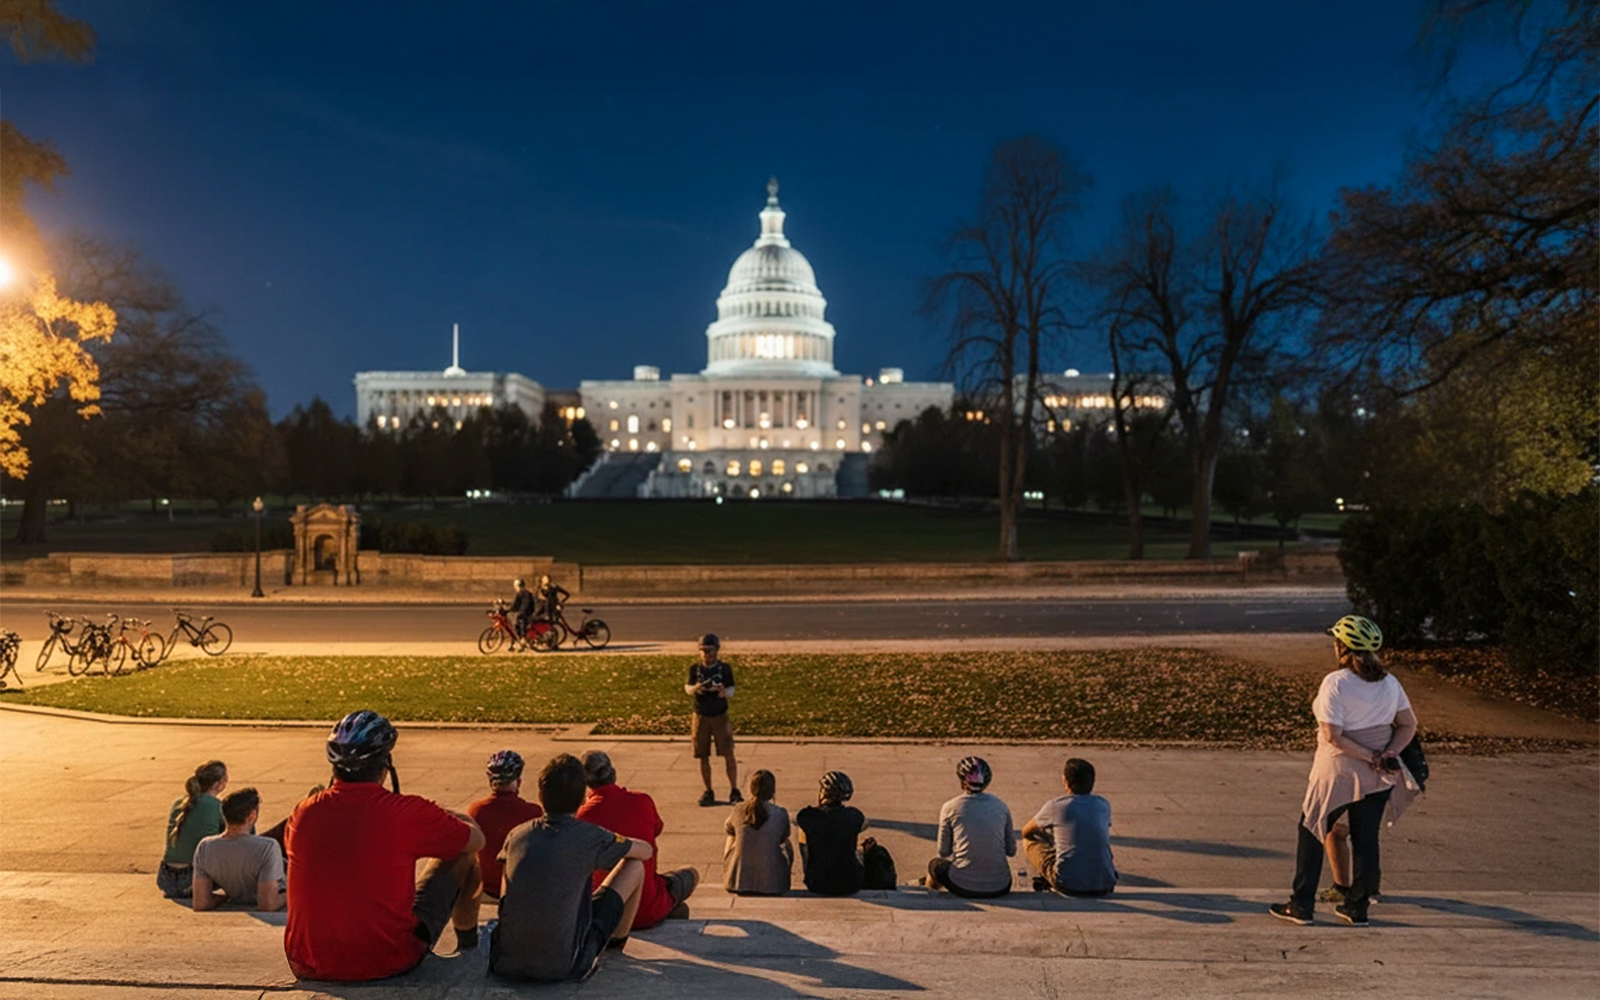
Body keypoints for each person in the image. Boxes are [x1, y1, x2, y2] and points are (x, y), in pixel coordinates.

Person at [284, 710, 486, 982]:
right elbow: (477, 839)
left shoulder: (304, 812)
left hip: (306, 961)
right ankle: (469, 947)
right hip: (386, 959)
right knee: (464, 857)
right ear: (384, 766)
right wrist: (438, 813)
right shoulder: (405, 813)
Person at [1271, 615, 1419, 927]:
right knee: (1366, 838)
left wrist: (1369, 755)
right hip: (1378, 776)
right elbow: (1408, 724)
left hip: (1337, 771)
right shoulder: (1390, 683)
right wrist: (1387, 753)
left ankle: (1301, 906)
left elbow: (1333, 735)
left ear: (1342, 647)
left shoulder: (1335, 682)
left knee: (1312, 828)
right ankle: (1357, 908)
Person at [490, 754, 654, 983]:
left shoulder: (517, 835)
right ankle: (616, 944)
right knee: (634, 866)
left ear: (540, 795)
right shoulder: (589, 836)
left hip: (504, 961)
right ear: (581, 800)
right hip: (564, 966)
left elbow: (506, 900)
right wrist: (613, 842)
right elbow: (645, 851)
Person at [576, 750, 699, 930]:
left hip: (605, 913)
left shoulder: (583, 816)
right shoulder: (642, 801)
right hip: (648, 906)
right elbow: (656, 829)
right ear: (612, 772)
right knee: (691, 875)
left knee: (678, 907)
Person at [462, 750, 544, 931]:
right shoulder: (533, 812)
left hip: (485, 884)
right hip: (518, 887)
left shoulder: (476, 810)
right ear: (519, 781)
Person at [1022, 758, 1118, 897]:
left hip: (1068, 885)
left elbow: (1026, 831)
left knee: (1029, 842)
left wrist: (1047, 837)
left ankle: (1051, 878)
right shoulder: (1103, 805)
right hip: (1105, 884)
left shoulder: (1056, 805)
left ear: (1065, 780)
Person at [926, 756, 1016, 899]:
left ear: (961, 781)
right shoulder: (1001, 806)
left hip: (963, 885)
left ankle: (930, 897)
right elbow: (1011, 850)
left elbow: (943, 852)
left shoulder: (950, 807)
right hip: (1001, 885)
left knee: (935, 865)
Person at [192, 788, 286, 912]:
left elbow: (201, 904)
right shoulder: (268, 847)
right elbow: (268, 905)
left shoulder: (205, 846)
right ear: (252, 816)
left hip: (236, 891)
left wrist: (224, 897)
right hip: (280, 884)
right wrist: (294, 894)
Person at [158, 760, 228, 899]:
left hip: (166, 879)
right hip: (194, 879)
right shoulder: (217, 806)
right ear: (219, 783)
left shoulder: (179, 803)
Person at [686, 633, 739, 806]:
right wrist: (697, 688)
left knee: (728, 752)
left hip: (720, 714)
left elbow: (732, 687)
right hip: (701, 714)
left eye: (710, 650)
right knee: (702, 754)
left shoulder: (724, 669)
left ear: (717, 650)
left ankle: (734, 789)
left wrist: (724, 692)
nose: (706, 654)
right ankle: (708, 790)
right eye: (703, 651)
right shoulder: (695, 669)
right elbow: (687, 687)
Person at [795, 771, 868, 896]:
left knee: (803, 833)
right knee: (861, 850)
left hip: (817, 884)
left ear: (823, 792)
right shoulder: (854, 815)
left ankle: (809, 870)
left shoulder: (807, 816)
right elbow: (865, 825)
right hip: (850, 884)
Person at [724, 769, 794, 895]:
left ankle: (731, 870)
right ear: (772, 791)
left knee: (732, 835)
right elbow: (784, 837)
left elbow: (728, 828)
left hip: (739, 883)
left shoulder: (739, 808)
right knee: (786, 843)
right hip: (773, 885)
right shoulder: (780, 813)